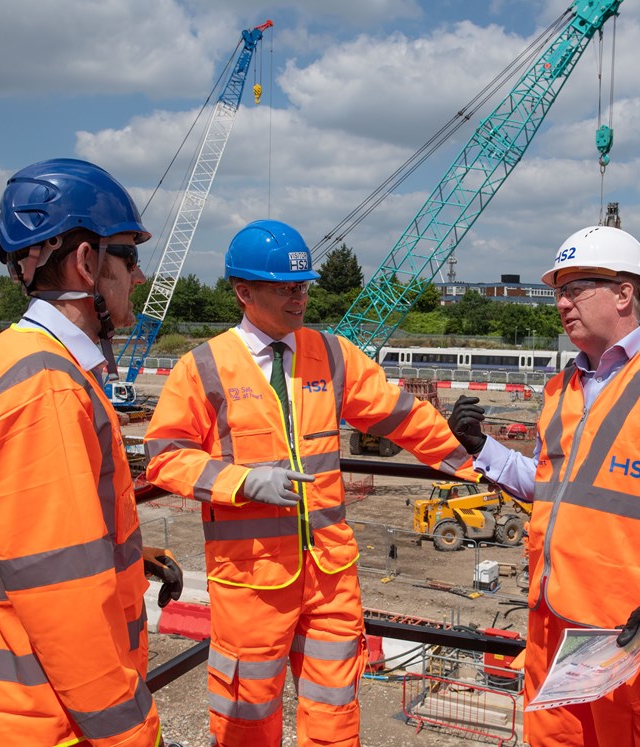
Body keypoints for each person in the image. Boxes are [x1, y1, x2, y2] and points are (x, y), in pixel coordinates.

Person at [143, 219, 479, 746]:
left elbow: (395, 412)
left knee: (335, 710)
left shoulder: (331, 353)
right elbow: (164, 458)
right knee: (245, 715)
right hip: (252, 578)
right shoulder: (203, 367)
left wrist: (464, 449)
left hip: (330, 572)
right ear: (243, 291)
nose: (299, 299)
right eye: (285, 288)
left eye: (303, 287)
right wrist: (241, 482)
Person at [449, 225, 640, 747]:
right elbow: (547, 488)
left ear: (625, 293)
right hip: (553, 629)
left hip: (628, 632)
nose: (562, 303)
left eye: (576, 287)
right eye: (559, 291)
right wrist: (480, 448)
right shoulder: (563, 386)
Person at [0, 158, 183, 746]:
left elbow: (26, 536)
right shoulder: (47, 387)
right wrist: (130, 735)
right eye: (128, 255)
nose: (140, 277)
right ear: (85, 262)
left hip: (0, 708)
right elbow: (62, 596)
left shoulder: (7, 358)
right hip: (45, 722)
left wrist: (123, 556)